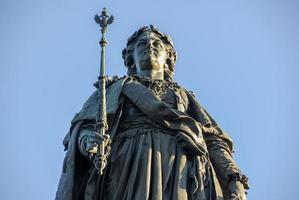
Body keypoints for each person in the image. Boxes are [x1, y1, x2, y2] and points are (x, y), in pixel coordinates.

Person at [56, 25, 249, 200]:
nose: (149, 45)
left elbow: (213, 139)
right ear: (130, 57)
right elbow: (83, 127)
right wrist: (89, 140)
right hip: (128, 164)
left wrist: (233, 177)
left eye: (157, 43)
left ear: (168, 57)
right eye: (142, 44)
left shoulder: (183, 96)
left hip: (178, 166)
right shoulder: (114, 90)